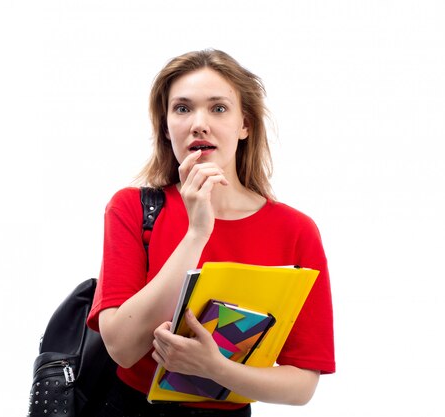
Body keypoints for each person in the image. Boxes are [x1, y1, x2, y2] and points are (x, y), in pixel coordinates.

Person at [86, 49, 335, 417]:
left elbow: (301, 385)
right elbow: (121, 347)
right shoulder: (132, 208)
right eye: (182, 109)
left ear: (244, 125)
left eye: (218, 109)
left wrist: (215, 368)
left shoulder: (295, 230)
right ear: (165, 126)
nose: (198, 124)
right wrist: (196, 233)